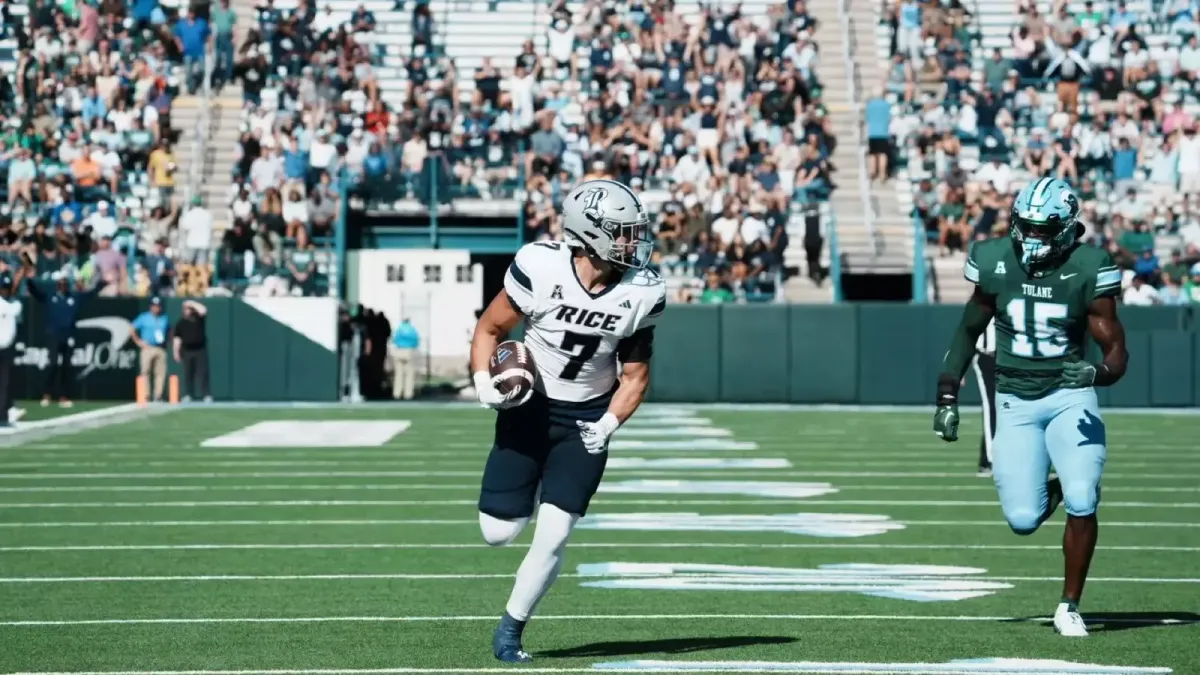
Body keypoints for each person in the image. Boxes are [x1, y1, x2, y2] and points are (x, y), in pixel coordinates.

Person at [470, 179, 665, 663]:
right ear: (590, 231)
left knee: (555, 534)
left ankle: (511, 631)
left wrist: (607, 425)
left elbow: (636, 377)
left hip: (586, 418)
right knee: (498, 533)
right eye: (622, 232)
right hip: (529, 408)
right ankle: (535, 485)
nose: (632, 241)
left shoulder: (642, 291)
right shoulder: (541, 265)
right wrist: (481, 379)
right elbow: (490, 328)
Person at [932, 177, 1128, 638]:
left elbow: (1117, 351)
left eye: (1045, 229)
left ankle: (1069, 604)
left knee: (1083, 498)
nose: (1034, 237)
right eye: (1027, 226)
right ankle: (1059, 489)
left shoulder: (1089, 266)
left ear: (1066, 227)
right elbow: (966, 331)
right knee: (1022, 519)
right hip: (1015, 400)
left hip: (1069, 396)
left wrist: (1097, 375)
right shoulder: (994, 259)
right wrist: (946, 395)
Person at [24, 272, 107, 408]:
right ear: (57, 284)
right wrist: (29, 280)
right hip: (53, 335)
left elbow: (89, 295)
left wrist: (101, 285)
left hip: (68, 336)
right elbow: (35, 293)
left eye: (65, 282)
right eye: (61, 282)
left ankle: (64, 396)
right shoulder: (50, 297)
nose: (63, 285)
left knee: (66, 367)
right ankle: (47, 394)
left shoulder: (73, 297)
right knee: (52, 365)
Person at [131, 297, 171, 402]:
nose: (156, 308)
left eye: (158, 306)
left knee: (160, 373)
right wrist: (138, 341)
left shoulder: (164, 318)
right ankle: (146, 395)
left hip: (160, 348)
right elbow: (132, 328)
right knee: (145, 371)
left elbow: (169, 331)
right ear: (150, 306)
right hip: (147, 347)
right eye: (154, 306)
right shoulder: (144, 317)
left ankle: (158, 395)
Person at [971, 317, 996, 477]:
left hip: (1010, 359)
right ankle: (990, 458)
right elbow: (966, 331)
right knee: (991, 408)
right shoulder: (983, 300)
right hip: (987, 357)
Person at [172, 300, 210, 402]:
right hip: (187, 350)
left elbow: (204, 310)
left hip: (200, 349)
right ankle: (189, 395)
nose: (188, 310)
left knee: (203, 373)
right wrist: (176, 352)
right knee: (188, 373)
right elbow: (177, 339)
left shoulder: (198, 318)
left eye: (189, 309)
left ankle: (206, 395)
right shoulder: (180, 323)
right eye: (186, 309)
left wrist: (191, 303)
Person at [0, 271, 20, 428]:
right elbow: (15, 308)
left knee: (5, 383)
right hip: (3, 347)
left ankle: (4, 414)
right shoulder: (11, 305)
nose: (4, 291)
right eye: (2, 288)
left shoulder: (12, 304)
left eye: (6, 288)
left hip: (6, 348)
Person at [390, 317, 420, 400]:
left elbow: (394, 340)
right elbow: (416, 341)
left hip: (399, 350)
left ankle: (397, 393)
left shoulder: (399, 329)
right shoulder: (412, 330)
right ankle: (408, 394)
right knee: (409, 374)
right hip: (409, 351)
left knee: (399, 374)